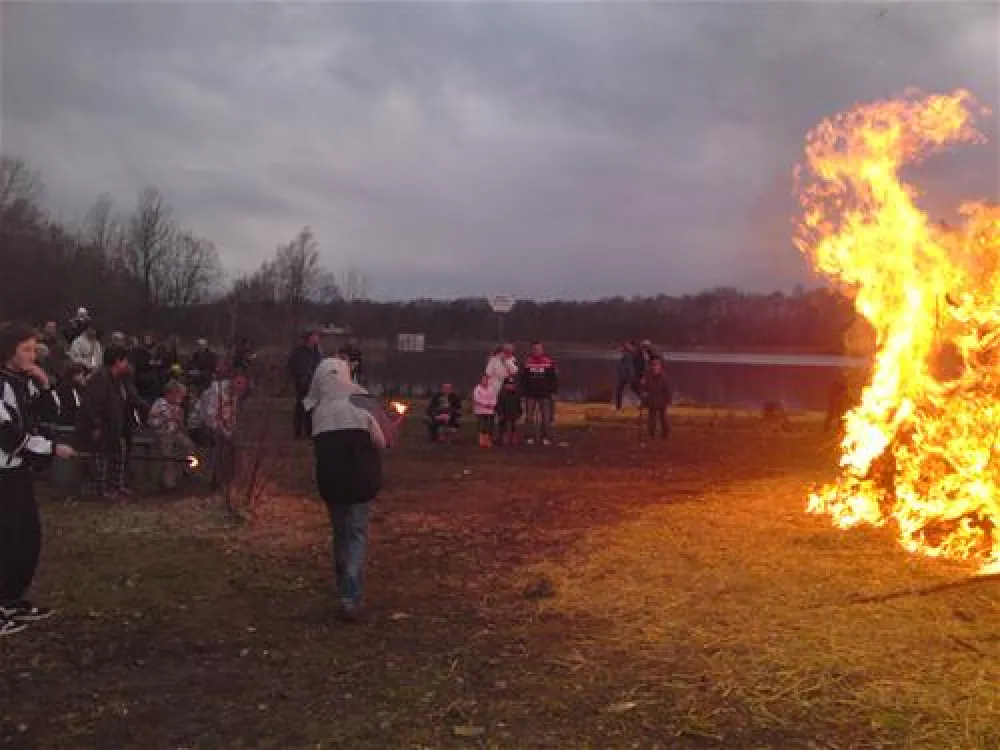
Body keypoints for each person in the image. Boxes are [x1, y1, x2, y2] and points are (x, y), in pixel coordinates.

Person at [304, 357, 400, 622]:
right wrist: (391, 426)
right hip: (361, 480)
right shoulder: (362, 402)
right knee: (356, 534)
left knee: (340, 533)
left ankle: (343, 584)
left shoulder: (319, 411)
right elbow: (384, 441)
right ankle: (351, 592)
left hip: (331, 482)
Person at [0, 323, 77, 636]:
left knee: (27, 538)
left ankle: (11, 599)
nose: (32, 355)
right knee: (6, 538)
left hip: (18, 472)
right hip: (3, 473)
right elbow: (8, 436)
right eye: (26, 349)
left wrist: (44, 384)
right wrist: (51, 449)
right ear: (9, 351)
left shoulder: (24, 382)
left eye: (34, 349)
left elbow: (52, 412)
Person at [76, 346, 133, 500]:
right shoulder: (100, 377)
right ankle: (101, 489)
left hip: (113, 427)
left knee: (118, 451)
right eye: (125, 361)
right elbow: (94, 403)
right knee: (101, 458)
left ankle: (116, 485)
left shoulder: (117, 379)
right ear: (117, 361)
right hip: (102, 427)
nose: (127, 364)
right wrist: (97, 425)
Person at [148, 380, 197, 491]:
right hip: (162, 433)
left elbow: (181, 425)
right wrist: (166, 419)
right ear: (170, 393)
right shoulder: (159, 404)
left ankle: (188, 470)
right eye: (179, 396)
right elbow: (151, 421)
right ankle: (168, 483)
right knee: (169, 454)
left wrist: (180, 421)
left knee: (189, 445)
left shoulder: (178, 407)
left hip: (175, 433)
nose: (180, 399)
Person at [520, 340, 558, 445]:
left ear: (542, 350)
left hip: (545, 394)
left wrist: (553, 391)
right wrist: (522, 392)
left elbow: (553, 378)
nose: (537, 350)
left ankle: (545, 437)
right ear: (532, 350)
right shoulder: (527, 362)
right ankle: (529, 437)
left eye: (539, 349)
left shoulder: (549, 362)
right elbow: (523, 378)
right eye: (535, 349)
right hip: (530, 394)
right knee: (529, 417)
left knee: (545, 417)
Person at [288, 330, 323, 439]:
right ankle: (297, 431)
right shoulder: (299, 351)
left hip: (313, 383)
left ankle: (309, 431)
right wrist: (300, 376)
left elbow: (319, 366)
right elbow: (292, 365)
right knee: (301, 406)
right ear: (309, 338)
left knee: (311, 407)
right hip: (302, 382)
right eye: (315, 336)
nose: (317, 339)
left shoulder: (317, 352)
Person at [642, 357, 672, 440]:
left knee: (663, 419)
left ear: (660, 367)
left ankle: (665, 434)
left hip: (662, 401)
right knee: (651, 419)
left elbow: (667, 390)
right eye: (653, 365)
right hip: (651, 400)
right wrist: (643, 387)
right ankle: (651, 434)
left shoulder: (663, 377)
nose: (654, 367)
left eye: (656, 365)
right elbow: (644, 389)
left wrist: (668, 401)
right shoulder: (647, 376)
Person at [495, 374, 523, 446]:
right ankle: (502, 437)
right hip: (504, 414)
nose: (511, 386)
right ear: (505, 385)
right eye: (509, 384)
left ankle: (514, 437)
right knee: (503, 424)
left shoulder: (516, 394)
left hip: (513, 413)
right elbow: (499, 406)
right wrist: (500, 414)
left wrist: (520, 413)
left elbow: (518, 404)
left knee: (514, 425)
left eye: (512, 384)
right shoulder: (501, 394)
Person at [472, 373, 498, 448]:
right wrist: (485, 404)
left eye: (486, 379)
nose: (485, 381)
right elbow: (477, 399)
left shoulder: (491, 388)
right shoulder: (477, 389)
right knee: (482, 426)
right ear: (481, 380)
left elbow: (494, 398)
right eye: (483, 379)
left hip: (490, 410)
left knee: (489, 426)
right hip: (480, 411)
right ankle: (482, 441)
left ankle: (488, 441)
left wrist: (492, 404)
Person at [615, 341, 637, 410]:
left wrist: (630, 377)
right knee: (619, 391)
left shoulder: (627, 355)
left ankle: (618, 407)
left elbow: (630, 367)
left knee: (634, 389)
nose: (618, 349)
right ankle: (618, 406)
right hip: (623, 377)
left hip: (626, 377)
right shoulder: (624, 355)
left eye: (619, 347)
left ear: (623, 348)